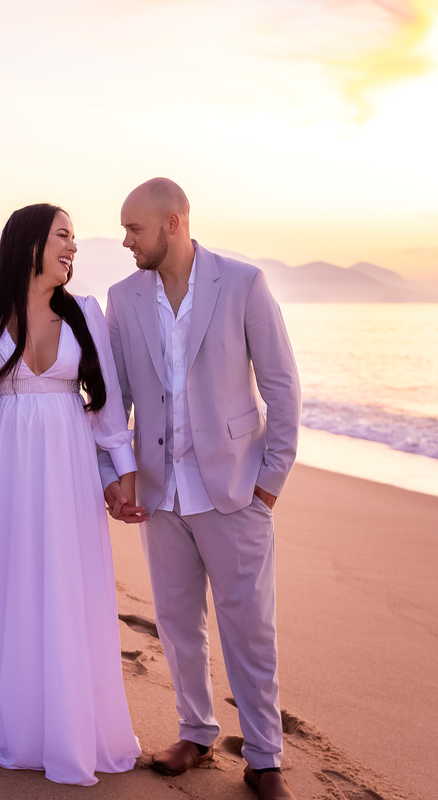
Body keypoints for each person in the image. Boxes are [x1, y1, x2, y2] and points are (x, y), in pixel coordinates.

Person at [98, 179, 302, 800]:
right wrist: (117, 474)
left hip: (235, 490)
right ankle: (195, 731)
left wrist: (268, 484)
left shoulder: (242, 284)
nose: (127, 241)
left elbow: (282, 386)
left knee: (250, 627)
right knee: (178, 622)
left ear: (175, 223)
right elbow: (116, 399)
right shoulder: (123, 297)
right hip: (161, 493)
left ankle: (264, 756)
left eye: (135, 229)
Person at [0, 203, 141, 785]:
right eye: (63, 237)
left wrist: (122, 474)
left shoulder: (84, 314)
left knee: (61, 586)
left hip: (64, 474)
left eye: (75, 239)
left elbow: (107, 408)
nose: (73, 248)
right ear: (28, 244)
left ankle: (60, 727)